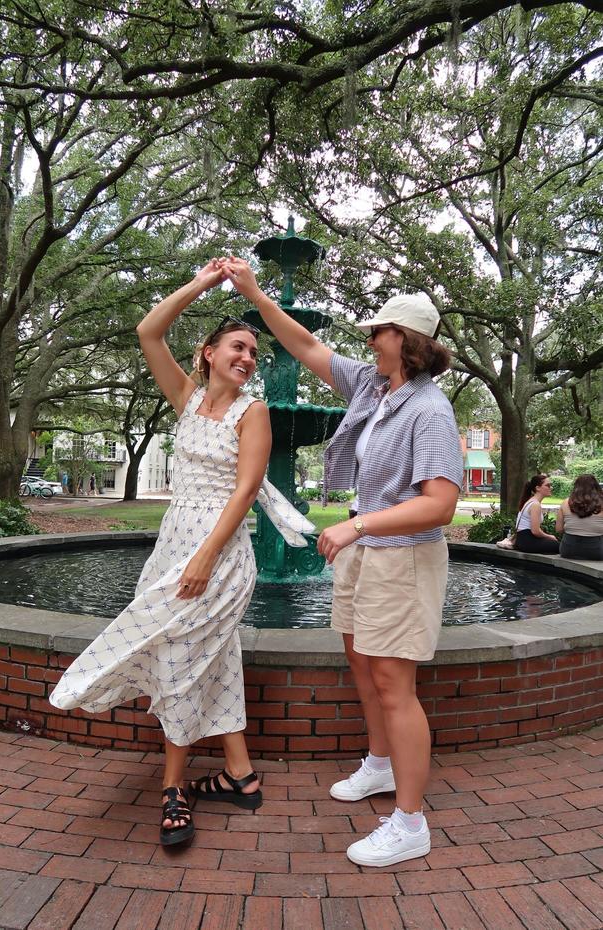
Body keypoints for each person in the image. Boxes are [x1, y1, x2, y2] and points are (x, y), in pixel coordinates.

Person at [49, 260, 312, 848]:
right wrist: (203, 284)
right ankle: (240, 775)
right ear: (208, 352)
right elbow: (148, 331)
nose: (247, 358)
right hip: (173, 542)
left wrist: (204, 559)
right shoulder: (187, 399)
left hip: (219, 552)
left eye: (253, 354)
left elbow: (246, 492)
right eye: (238, 347)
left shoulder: (255, 412)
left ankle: (173, 787)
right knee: (210, 659)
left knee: (178, 663)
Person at [221, 256, 462, 869]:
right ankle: (380, 766)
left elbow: (440, 505)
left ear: (402, 341)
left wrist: (356, 525)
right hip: (366, 553)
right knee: (360, 659)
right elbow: (304, 344)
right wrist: (255, 292)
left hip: (401, 559)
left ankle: (410, 823)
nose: (369, 339)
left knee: (394, 684)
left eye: (377, 332)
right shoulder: (375, 387)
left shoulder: (430, 409)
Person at [556, 474, 603, 560]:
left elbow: (559, 529)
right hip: (596, 550)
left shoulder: (566, 502)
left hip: (568, 549)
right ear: (596, 487)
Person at [514, 474, 559, 554]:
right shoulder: (535, 504)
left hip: (523, 540)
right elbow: (535, 531)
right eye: (548, 485)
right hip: (527, 542)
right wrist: (550, 536)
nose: (551, 488)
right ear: (538, 488)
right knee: (558, 546)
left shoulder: (532, 501)